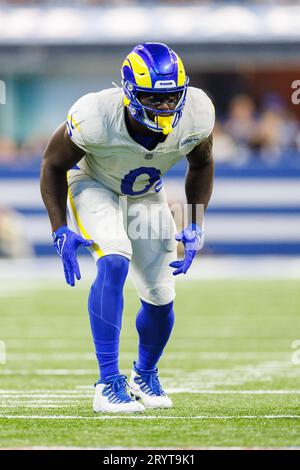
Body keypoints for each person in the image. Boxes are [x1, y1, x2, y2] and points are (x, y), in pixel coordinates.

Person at [40, 42, 215, 413]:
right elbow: (52, 164)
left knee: (160, 292)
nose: (166, 107)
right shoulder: (94, 115)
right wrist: (59, 227)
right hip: (94, 185)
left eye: (171, 98)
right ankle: (106, 384)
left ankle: (144, 374)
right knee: (114, 261)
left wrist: (196, 223)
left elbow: (201, 164)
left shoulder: (197, 112)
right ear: (129, 94)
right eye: (154, 98)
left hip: (146, 192)